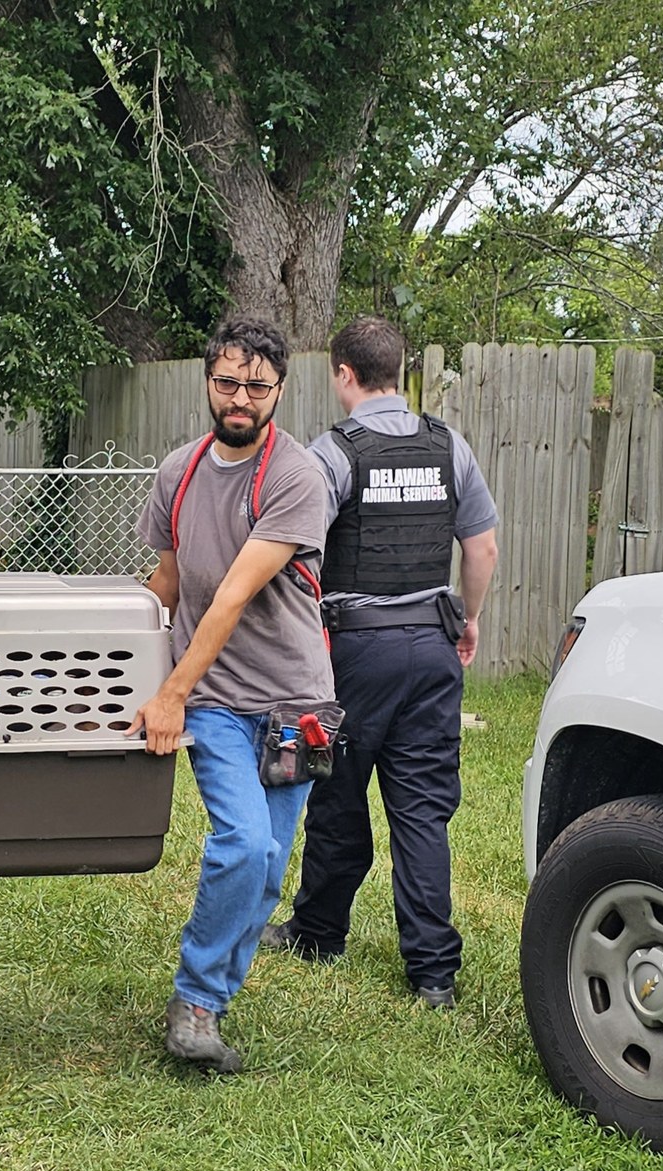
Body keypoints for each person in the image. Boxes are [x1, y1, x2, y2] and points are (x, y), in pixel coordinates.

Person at [261, 316, 499, 1009]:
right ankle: (432, 975)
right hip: (431, 644)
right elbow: (480, 548)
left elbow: (293, 549)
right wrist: (470, 616)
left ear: (344, 373)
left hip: (353, 648)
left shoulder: (330, 455)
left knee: (335, 793)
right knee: (422, 808)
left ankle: (318, 931)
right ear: (400, 371)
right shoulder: (449, 445)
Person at [131, 314, 336, 1073]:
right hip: (215, 697)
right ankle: (196, 999)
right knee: (243, 843)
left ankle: (208, 995)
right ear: (208, 380)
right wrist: (116, 664)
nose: (240, 397)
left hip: (295, 704)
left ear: (279, 388)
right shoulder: (177, 472)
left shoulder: (294, 475)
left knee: (269, 868)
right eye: (227, 381)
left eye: (256, 385)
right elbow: (169, 584)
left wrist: (168, 693)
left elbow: (234, 595)